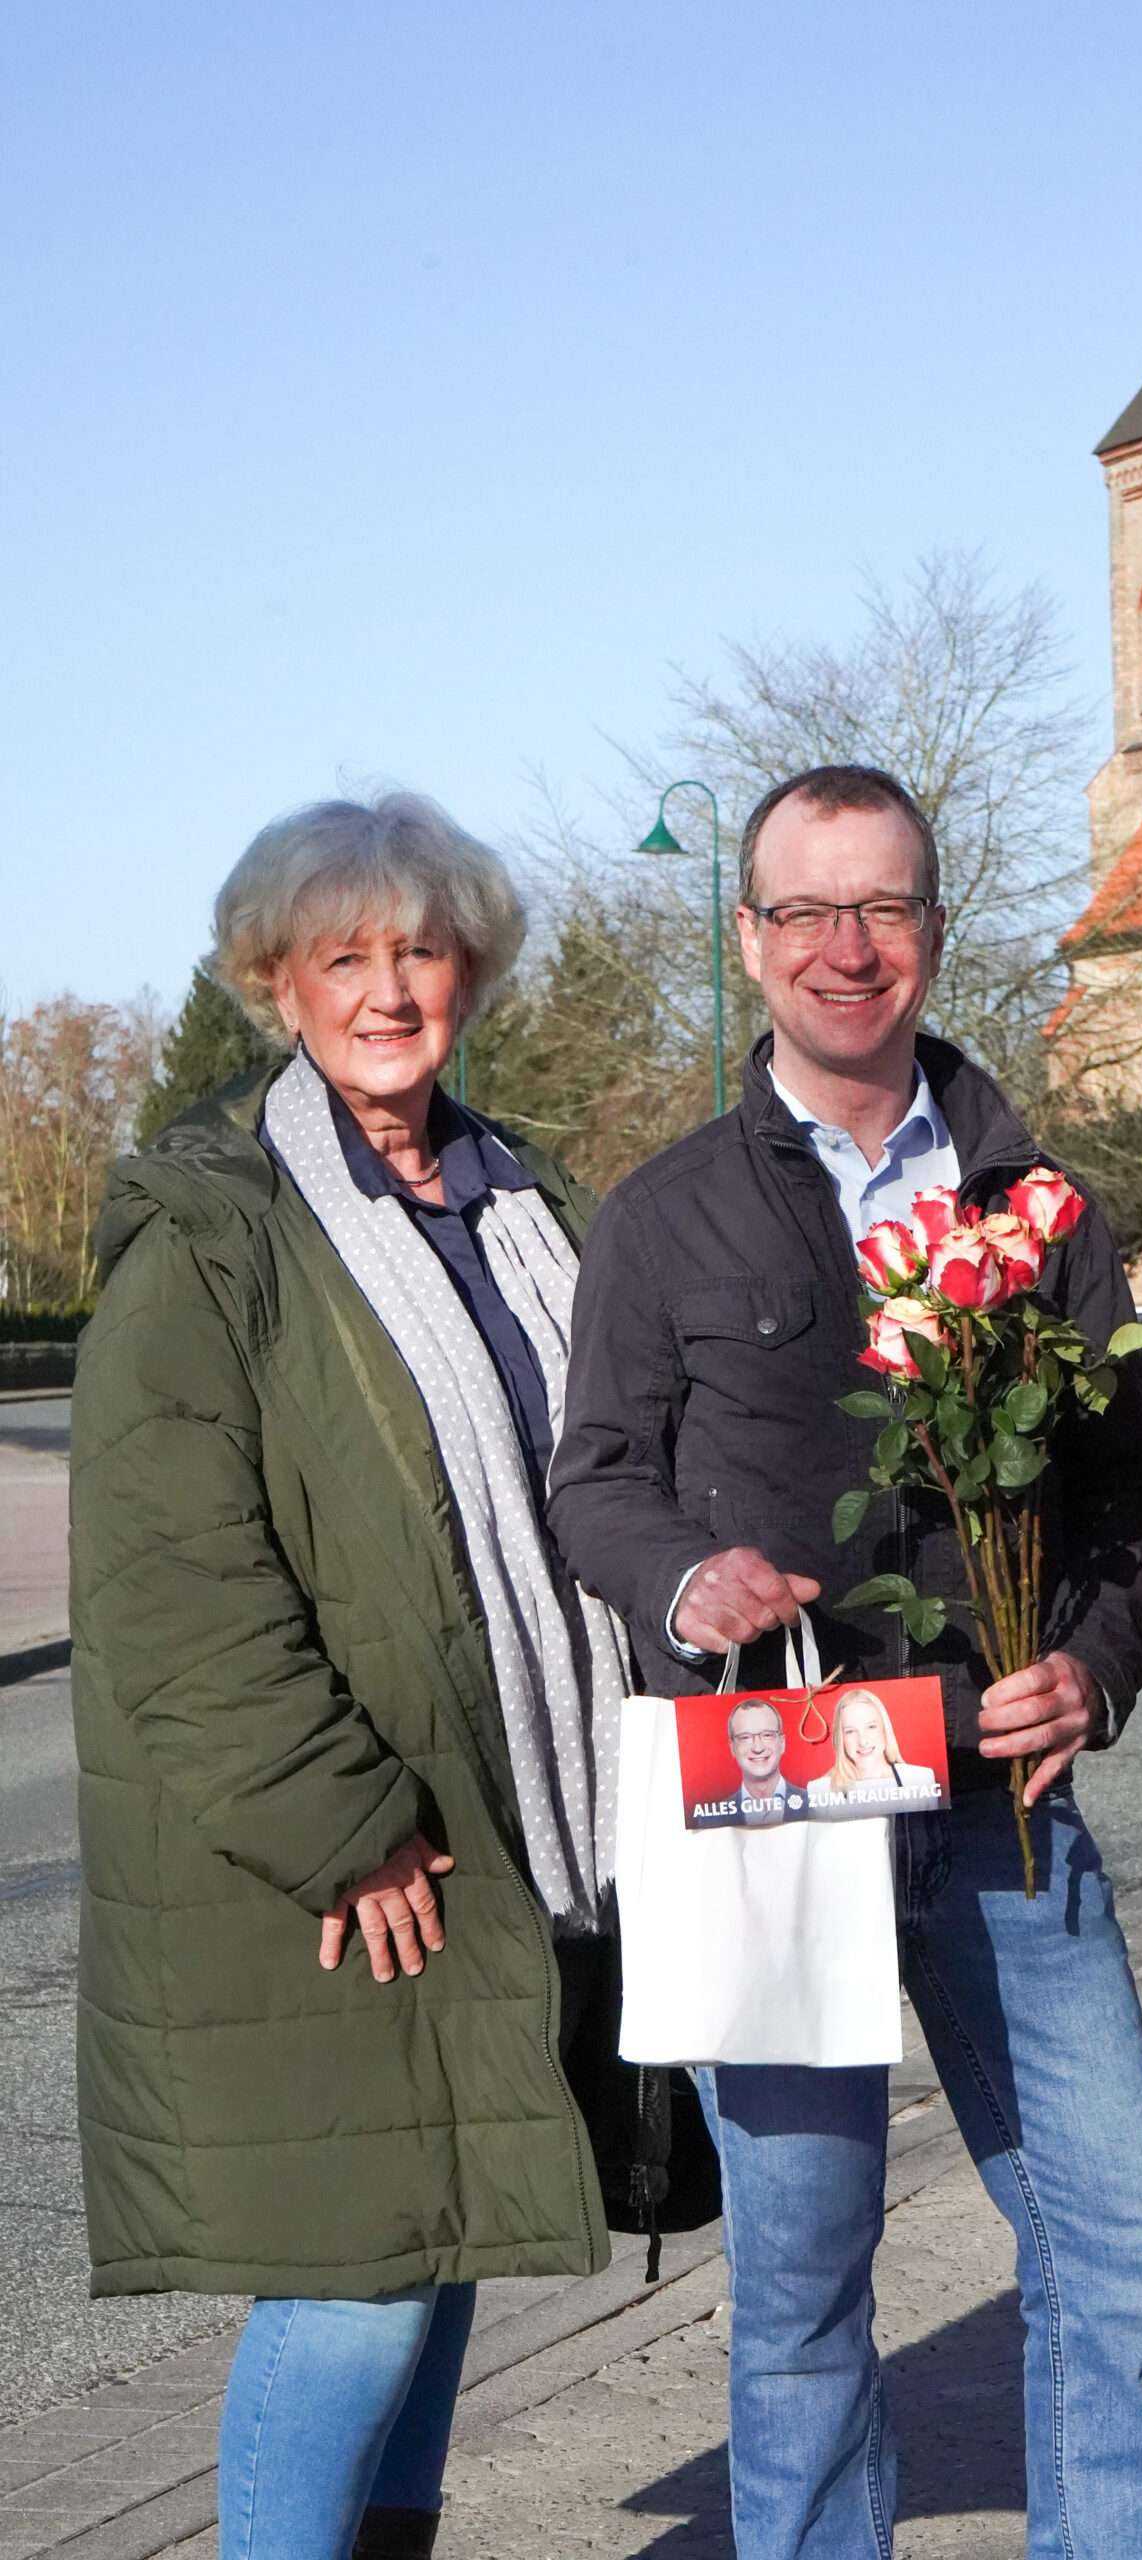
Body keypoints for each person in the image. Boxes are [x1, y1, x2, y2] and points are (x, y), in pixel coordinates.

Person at [560, 764, 1142, 2558]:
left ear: (931, 927)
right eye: (809, 913)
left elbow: (1132, 1493)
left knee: (1123, 2238)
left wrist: (1092, 1663)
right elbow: (595, 1482)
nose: (850, 949)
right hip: (788, 1802)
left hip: (1001, 1801)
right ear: (749, 940)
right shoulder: (664, 1214)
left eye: (886, 908)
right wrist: (685, 1586)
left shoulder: (1036, 1201)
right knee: (804, 2290)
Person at [72, 794, 628, 2560]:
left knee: (450, 2247)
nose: (391, 991)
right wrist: (340, 1824)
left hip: (503, 1823)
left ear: (471, 970)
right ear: (275, 984)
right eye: (345, 958)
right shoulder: (215, 1231)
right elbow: (172, 1583)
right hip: (335, 1859)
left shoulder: (519, 1198)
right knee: (361, 2283)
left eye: (422, 951)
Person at [803, 1686, 942, 1813]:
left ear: (884, 1730)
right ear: (841, 1739)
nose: (863, 1741)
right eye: (850, 1731)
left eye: (871, 1727)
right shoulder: (819, 1790)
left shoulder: (921, 1779)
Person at [692, 1699, 810, 1825]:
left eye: (767, 1735)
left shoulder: (815, 1805)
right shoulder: (711, 1819)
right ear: (732, 1748)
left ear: (782, 1743)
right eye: (745, 1737)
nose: (758, 1748)